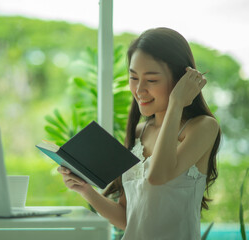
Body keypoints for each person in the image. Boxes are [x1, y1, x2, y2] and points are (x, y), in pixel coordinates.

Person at [57, 27, 221, 240]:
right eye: (133, 77)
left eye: (152, 80)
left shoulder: (203, 127)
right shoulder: (139, 132)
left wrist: (176, 103)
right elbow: (128, 219)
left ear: (182, 80)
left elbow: (157, 176)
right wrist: (86, 190)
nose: (139, 90)